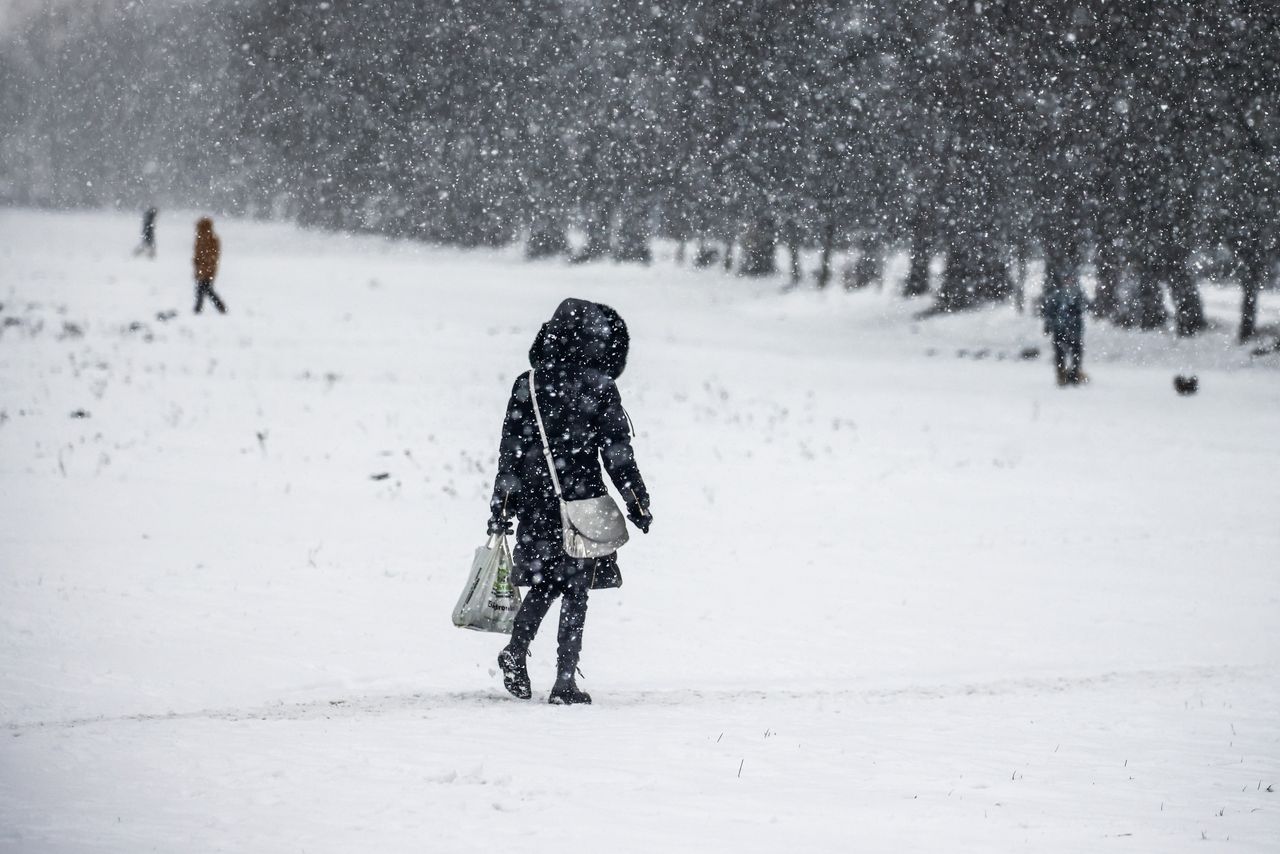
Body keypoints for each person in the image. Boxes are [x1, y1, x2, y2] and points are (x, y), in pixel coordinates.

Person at [488, 299, 652, 705]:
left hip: (537, 502)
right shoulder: (600, 386)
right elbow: (617, 453)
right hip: (582, 501)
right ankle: (564, 681)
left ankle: (516, 651)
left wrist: (502, 504)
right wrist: (636, 499)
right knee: (576, 587)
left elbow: (511, 451)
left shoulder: (527, 384)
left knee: (548, 582)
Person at [1041, 285, 1087, 386]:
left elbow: (1082, 309)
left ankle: (1074, 373)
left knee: (1074, 351)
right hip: (1061, 328)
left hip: (1072, 329)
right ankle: (1064, 374)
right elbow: (1050, 312)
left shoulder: (1077, 294)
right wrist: (1048, 325)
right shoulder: (1057, 295)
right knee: (1061, 353)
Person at [192, 217, 227, 314]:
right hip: (202, 268)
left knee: (204, 288)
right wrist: (197, 264)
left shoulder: (210, 238)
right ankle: (200, 308)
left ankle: (199, 309)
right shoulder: (201, 238)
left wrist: (206, 267)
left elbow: (211, 255)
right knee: (204, 289)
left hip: (207, 268)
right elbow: (198, 254)